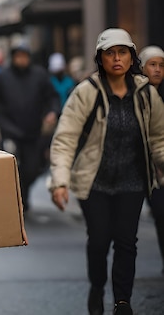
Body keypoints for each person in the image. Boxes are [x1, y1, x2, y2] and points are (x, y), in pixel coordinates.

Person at [49, 29, 164, 315]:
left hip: (132, 181)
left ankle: (122, 301)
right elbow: (65, 138)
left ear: (131, 57)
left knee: (127, 242)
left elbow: (158, 139)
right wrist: (60, 182)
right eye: (110, 53)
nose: (116, 58)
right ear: (100, 58)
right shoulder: (87, 92)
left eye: (122, 52)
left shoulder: (146, 93)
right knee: (99, 241)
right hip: (94, 182)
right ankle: (97, 287)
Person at [0, 42, 60, 212]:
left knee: (33, 168)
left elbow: (52, 97)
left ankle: (24, 192)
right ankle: (20, 199)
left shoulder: (39, 75)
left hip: (33, 132)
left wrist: (52, 112)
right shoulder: (2, 77)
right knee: (14, 167)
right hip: (10, 130)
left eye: (24, 56)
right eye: (18, 56)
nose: (21, 59)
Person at [138, 45, 164, 274]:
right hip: (139, 169)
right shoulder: (134, 95)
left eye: (161, 65)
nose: (157, 70)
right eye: (152, 65)